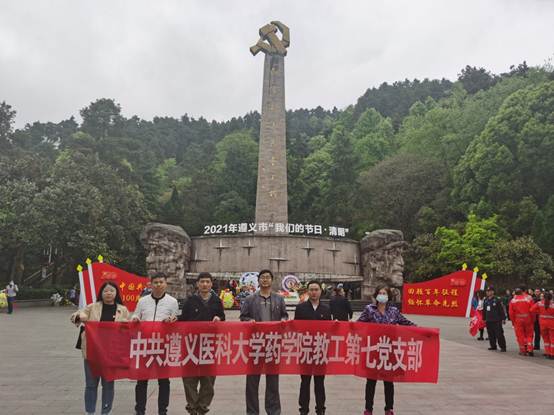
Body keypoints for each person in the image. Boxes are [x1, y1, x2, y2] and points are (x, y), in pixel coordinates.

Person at [70, 281, 130, 415]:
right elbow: (74, 317)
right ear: (101, 293)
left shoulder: (122, 310)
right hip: (93, 352)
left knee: (108, 384)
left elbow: (127, 330)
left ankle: (106, 411)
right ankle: (89, 411)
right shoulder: (92, 307)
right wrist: (79, 316)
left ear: (116, 293)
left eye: (112, 291)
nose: (109, 293)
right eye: (106, 291)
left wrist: (126, 325)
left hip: (111, 353)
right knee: (91, 384)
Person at [358, 286, 415, 415]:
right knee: (371, 381)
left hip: (389, 350)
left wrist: (423, 330)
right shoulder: (369, 309)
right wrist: (343, 325)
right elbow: (358, 324)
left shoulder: (394, 311)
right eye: (380, 293)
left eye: (384, 293)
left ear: (388, 296)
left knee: (389, 382)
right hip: (373, 350)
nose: (382, 295)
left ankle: (389, 408)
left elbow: (406, 322)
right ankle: (368, 409)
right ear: (376, 295)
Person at [240, 269, 288, 415]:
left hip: (273, 344)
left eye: (268, 277)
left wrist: (284, 320)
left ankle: (273, 411)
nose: (265, 280)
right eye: (262, 277)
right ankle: (252, 412)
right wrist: (249, 320)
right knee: (252, 382)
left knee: (273, 381)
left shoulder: (279, 299)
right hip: (255, 344)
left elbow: (284, 315)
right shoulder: (250, 299)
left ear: (272, 280)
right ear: (259, 280)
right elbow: (243, 317)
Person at [179, 272, 225, 415]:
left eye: (207, 282)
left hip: (209, 345)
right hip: (191, 345)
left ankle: (202, 407)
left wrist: (219, 319)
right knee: (189, 378)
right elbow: (183, 319)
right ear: (197, 284)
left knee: (208, 379)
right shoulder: (190, 300)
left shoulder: (217, 301)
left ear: (211, 284)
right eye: (202, 282)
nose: (205, 284)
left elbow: (222, 318)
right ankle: (192, 407)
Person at [132, 273, 179, 415]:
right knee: (142, 380)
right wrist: (135, 318)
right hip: (145, 344)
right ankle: (140, 410)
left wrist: (171, 320)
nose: (158, 285)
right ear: (150, 284)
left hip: (162, 345)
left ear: (166, 284)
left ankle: (162, 411)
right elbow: (136, 315)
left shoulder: (172, 302)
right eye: (156, 282)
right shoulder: (143, 301)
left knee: (164, 381)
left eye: (161, 282)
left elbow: (175, 321)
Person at [294, 280, 331, 415]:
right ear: (307, 291)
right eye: (311, 290)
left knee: (320, 381)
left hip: (321, 350)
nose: (314, 292)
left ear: (320, 291)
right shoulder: (301, 308)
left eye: (316, 289)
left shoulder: (326, 309)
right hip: (305, 350)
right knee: (305, 381)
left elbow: (329, 329)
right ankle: (303, 409)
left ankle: (320, 409)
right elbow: (296, 328)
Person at [508, 288, 535, 356]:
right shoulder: (529, 299)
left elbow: (511, 313)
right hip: (528, 319)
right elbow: (533, 310)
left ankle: (523, 350)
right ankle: (530, 349)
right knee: (529, 335)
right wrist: (533, 319)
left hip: (518, 320)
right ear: (522, 292)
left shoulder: (513, 300)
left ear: (515, 293)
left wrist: (513, 322)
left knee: (520, 336)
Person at [482, 286, 507, 352]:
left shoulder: (497, 299)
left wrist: (503, 318)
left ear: (493, 292)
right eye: (487, 291)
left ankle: (503, 347)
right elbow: (484, 310)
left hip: (496, 320)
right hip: (488, 320)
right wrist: (483, 318)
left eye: (489, 291)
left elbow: (501, 310)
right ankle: (493, 346)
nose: (488, 292)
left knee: (499, 334)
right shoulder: (486, 300)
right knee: (490, 334)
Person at [530, 292, 554, 359]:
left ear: (543, 297)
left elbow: (531, 310)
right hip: (552, 324)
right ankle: (552, 354)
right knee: (552, 339)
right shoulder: (553, 305)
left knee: (546, 339)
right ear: (551, 297)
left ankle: (547, 353)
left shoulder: (539, 303)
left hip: (542, 324)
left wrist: (539, 312)